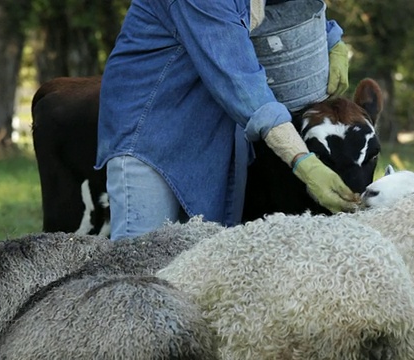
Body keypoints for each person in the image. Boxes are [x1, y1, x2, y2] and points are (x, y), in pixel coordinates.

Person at [96, 0, 358, 241]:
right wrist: (303, 161)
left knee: (200, 266)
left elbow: (283, 9)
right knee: (142, 267)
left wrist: (330, 36)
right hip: (151, 134)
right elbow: (240, 82)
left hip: (213, 136)